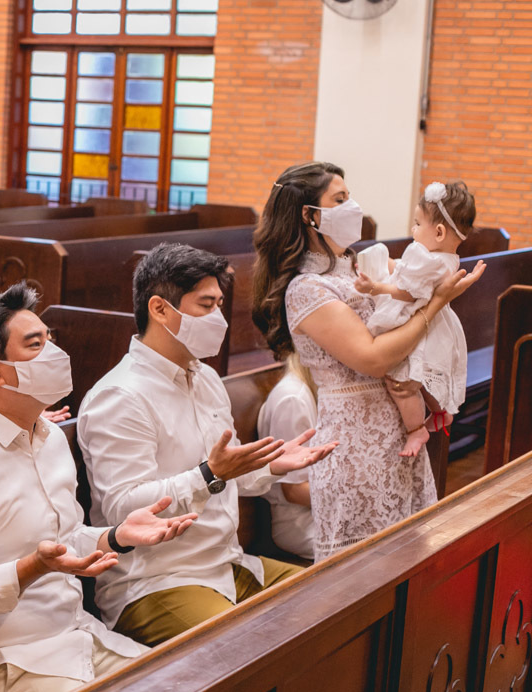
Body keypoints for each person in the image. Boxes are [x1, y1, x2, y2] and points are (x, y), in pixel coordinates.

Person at [0, 283, 198, 692]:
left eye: (51, 338)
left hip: (74, 636)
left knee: (185, 691)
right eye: (36, 344)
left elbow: (62, 544)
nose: (55, 352)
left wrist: (116, 536)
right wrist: (31, 568)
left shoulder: (45, 437)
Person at [77, 243, 333, 647]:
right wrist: (210, 475)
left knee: (332, 599)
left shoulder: (206, 379)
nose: (219, 318)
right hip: (156, 581)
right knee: (243, 645)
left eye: (219, 305)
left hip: (227, 564)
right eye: (205, 305)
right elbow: (124, 508)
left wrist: (270, 466)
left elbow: (228, 477)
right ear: (160, 309)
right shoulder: (120, 397)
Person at [251, 161, 485, 560]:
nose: (353, 206)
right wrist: (438, 303)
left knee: (409, 560)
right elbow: (373, 359)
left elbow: (414, 281)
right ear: (310, 215)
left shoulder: (355, 265)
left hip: (395, 432)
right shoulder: (306, 289)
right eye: (340, 199)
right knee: (361, 575)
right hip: (352, 441)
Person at [353, 181, 474, 457]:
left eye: (418, 224)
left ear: (439, 232)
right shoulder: (445, 258)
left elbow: (408, 292)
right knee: (419, 377)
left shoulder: (423, 255)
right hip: (437, 324)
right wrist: (389, 264)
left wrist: (377, 287)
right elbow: (410, 273)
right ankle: (440, 412)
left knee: (401, 384)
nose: (413, 230)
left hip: (414, 321)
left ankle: (415, 429)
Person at [256, 353, 319, 561]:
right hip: (298, 522)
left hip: (318, 513)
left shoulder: (312, 386)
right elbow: (293, 491)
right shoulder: (293, 398)